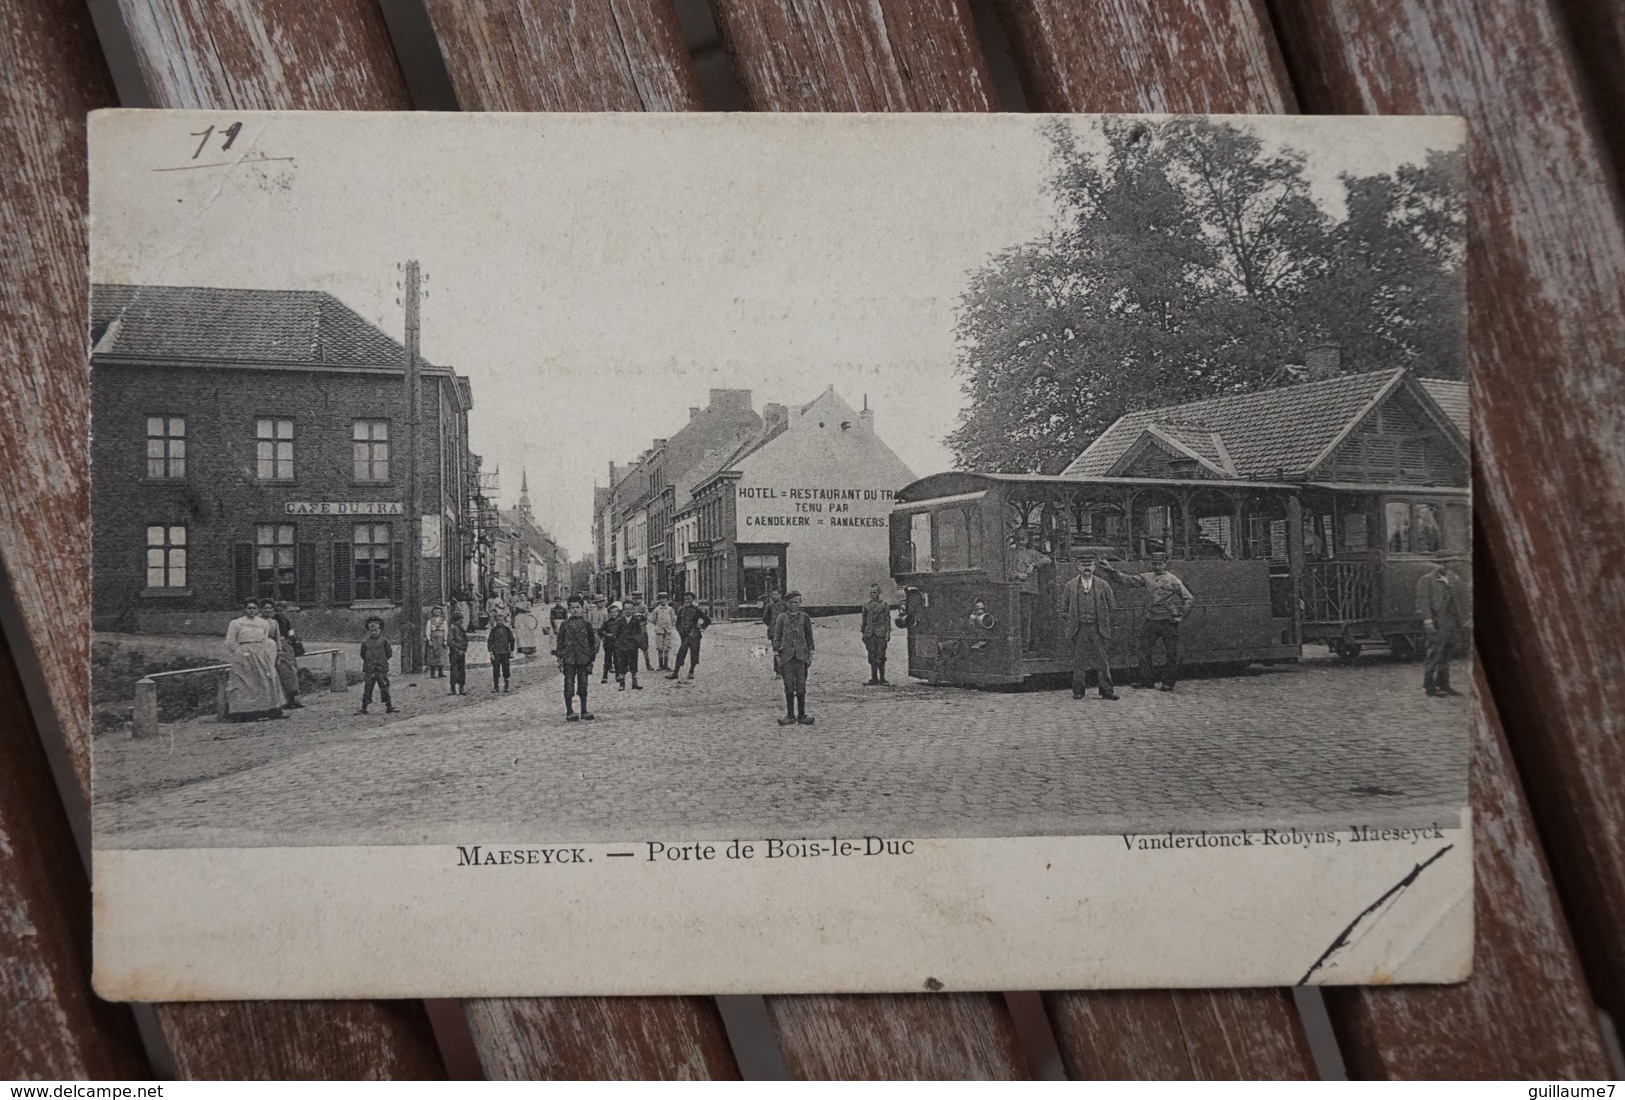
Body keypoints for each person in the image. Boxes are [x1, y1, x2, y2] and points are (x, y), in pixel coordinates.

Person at [1101, 551, 1194, 691]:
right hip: (1151, 620)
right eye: (1154, 564)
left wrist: (1180, 615)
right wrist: (1111, 570)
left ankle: (1168, 683)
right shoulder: (1147, 577)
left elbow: (1189, 599)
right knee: (1143, 651)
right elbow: (1127, 580)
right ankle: (1146, 681)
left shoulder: (1172, 580)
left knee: (1171, 653)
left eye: (1160, 564)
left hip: (1168, 621)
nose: (1157, 566)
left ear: (1165, 563)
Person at [1061, 553, 1119, 700]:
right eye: (1083, 565)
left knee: (1102, 660)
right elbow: (1063, 607)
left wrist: (1104, 621)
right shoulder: (1070, 585)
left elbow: (1112, 606)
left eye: (1089, 565)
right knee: (1079, 660)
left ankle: (1107, 691)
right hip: (1079, 628)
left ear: (1094, 567)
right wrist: (1070, 620)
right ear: (1078, 567)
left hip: (1097, 628)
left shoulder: (1103, 585)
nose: (1086, 568)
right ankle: (1078, 691)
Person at [224, 599, 285, 720]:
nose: (252, 611)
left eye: (254, 608)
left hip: (260, 653)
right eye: (249, 608)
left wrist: (264, 652)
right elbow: (230, 642)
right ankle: (244, 712)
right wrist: (239, 652)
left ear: (258, 610)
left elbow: (264, 639)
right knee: (245, 682)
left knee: (264, 680)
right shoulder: (236, 623)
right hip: (243, 654)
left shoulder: (263, 623)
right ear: (244, 609)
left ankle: (265, 710)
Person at [1417, 555, 1468, 697]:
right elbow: (1423, 602)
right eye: (1442, 563)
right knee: (1434, 654)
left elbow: (1462, 599)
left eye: (1449, 562)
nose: (1446, 565)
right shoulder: (1427, 580)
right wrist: (1428, 621)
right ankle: (1429, 687)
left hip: (1452, 623)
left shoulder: (1454, 580)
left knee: (1446, 655)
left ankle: (1444, 684)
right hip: (1437, 622)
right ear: (1436, 564)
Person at [772, 590, 815, 726]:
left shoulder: (805, 618)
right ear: (786, 603)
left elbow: (809, 636)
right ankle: (790, 715)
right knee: (789, 687)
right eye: (791, 602)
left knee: (801, 687)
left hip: (801, 656)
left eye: (796, 602)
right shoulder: (781, 618)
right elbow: (777, 636)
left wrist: (811, 654)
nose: (793, 605)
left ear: (800, 603)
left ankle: (802, 715)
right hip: (787, 657)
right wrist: (776, 653)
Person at [555, 596, 597, 721]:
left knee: (583, 684)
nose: (575, 610)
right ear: (568, 609)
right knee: (569, 685)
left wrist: (591, 658)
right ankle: (570, 711)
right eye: (572, 608)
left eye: (577, 607)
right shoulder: (565, 625)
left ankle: (584, 710)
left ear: (582, 608)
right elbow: (560, 642)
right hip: (569, 659)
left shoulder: (587, 625)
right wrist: (560, 657)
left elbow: (591, 642)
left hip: (583, 658)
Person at [1011, 533, 1051, 652]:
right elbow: (1005, 571)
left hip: (1031, 591)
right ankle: (1023, 645)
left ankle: (1029, 645)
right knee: (1021, 618)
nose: (1022, 543)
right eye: (1019, 540)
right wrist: (1018, 574)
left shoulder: (1032, 553)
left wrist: (1033, 565)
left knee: (1031, 618)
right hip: (1016, 590)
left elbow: (1047, 559)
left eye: (1023, 540)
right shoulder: (1011, 555)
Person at [667, 593, 711, 681]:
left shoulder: (696, 610)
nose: (687, 601)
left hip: (695, 636)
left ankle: (691, 672)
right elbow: (677, 623)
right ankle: (675, 672)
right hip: (685, 636)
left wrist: (701, 627)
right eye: (686, 599)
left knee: (694, 654)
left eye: (689, 599)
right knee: (680, 653)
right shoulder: (681, 610)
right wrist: (681, 633)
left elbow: (707, 619)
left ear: (693, 600)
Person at [356, 616, 395, 714]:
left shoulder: (384, 641)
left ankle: (389, 706)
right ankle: (364, 707)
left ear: (380, 630)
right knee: (368, 687)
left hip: (381, 668)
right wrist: (370, 662)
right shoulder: (365, 642)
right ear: (369, 631)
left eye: (376, 630)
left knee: (384, 686)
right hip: (369, 669)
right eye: (372, 631)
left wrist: (381, 661)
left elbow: (389, 653)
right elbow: (363, 654)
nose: (374, 632)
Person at [270, 600, 303, 709]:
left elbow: (291, 632)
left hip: (287, 649)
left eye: (282, 610)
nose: (280, 613)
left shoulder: (286, 621)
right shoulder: (272, 621)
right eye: (277, 610)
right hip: (278, 648)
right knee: (282, 673)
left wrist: (291, 636)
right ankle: (285, 699)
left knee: (292, 671)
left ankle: (293, 698)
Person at [859, 582, 892, 685]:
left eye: (875, 592)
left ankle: (882, 678)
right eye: (871, 592)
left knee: (881, 656)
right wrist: (864, 634)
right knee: (872, 656)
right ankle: (874, 678)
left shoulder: (884, 605)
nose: (873, 594)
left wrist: (887, 633)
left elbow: (887, 620)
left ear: (879, 593)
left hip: (881, 634)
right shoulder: (866, 606)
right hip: (870, 634)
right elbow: (864, 621)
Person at [613, 601, 646, 690]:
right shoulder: (619, 621)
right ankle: (622, 683)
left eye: (630, 609)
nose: (628, 611)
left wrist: (636, 642)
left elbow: (638, 633)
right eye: (626, 609)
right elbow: (616, 633)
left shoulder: (636, 621)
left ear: (633, 610)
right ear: (623, 610)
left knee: (633, 663)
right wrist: (618, 644)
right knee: (622, 663)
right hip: (622, 646)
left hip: (632, 646)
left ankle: (634, 681)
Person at [487, 613, 515, 693]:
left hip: (505, 652)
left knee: (506, 669)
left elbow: (512, 640)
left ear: (503, 621)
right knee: (496, 670)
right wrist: (491, 653)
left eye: (501, 620)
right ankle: (496, 686)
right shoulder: (493, 630)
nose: (499, 622)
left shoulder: (507, 630)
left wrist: (511, 651)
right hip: (496, 653)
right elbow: (490, 641)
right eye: (498, 620)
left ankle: (507, 686)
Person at [649, 592, 678, 670]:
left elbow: (673, 619)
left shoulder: (670, 609)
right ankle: (660, 665)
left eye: (665, 599)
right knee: (660, 647)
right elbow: (653, 620)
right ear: (659, 600)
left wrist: (670, 624)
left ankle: (666, 664)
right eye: (661, 599)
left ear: (667, 600)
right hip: (659, 630)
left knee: (667, 647)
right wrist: (659, 625)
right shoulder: (656, 610)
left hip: (668, 630)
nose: (663, 600)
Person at [762, 588, 787, 677]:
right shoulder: (769, 606)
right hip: (774, 632)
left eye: (776, 594)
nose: (773, 596)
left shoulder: (785, 605)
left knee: (786, 650)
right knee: (776, 651)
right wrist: (772, 625)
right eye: (772, 594)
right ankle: (778, 672)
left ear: (780, 595)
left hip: (785, 632)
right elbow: (765, 618)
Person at [446, 609, 469, 695]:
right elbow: (450, 642)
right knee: (454, 670)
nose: (462, 621)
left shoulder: (461, 629)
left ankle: (461, 687)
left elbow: (465, 640)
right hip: (454, 653)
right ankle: (452, 688)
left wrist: (464, 649)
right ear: (456, 620)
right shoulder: (452, 629)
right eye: (460, 620)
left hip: (461, 652)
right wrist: (457, 650)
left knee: (462, 670)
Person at [424, 605, 449, 679]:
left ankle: (441, 672)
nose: (437, 612)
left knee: (441, 655)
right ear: (433, 612)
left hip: (441, 639)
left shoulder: (443, 621)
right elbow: (427, 630)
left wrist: (445, 640)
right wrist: (429, 640)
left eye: (438, 611)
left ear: (441, 612)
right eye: (435, 611)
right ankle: (432, 673)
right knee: (433, 655)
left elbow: (446, 630)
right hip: (433, 638)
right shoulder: (430, 621)